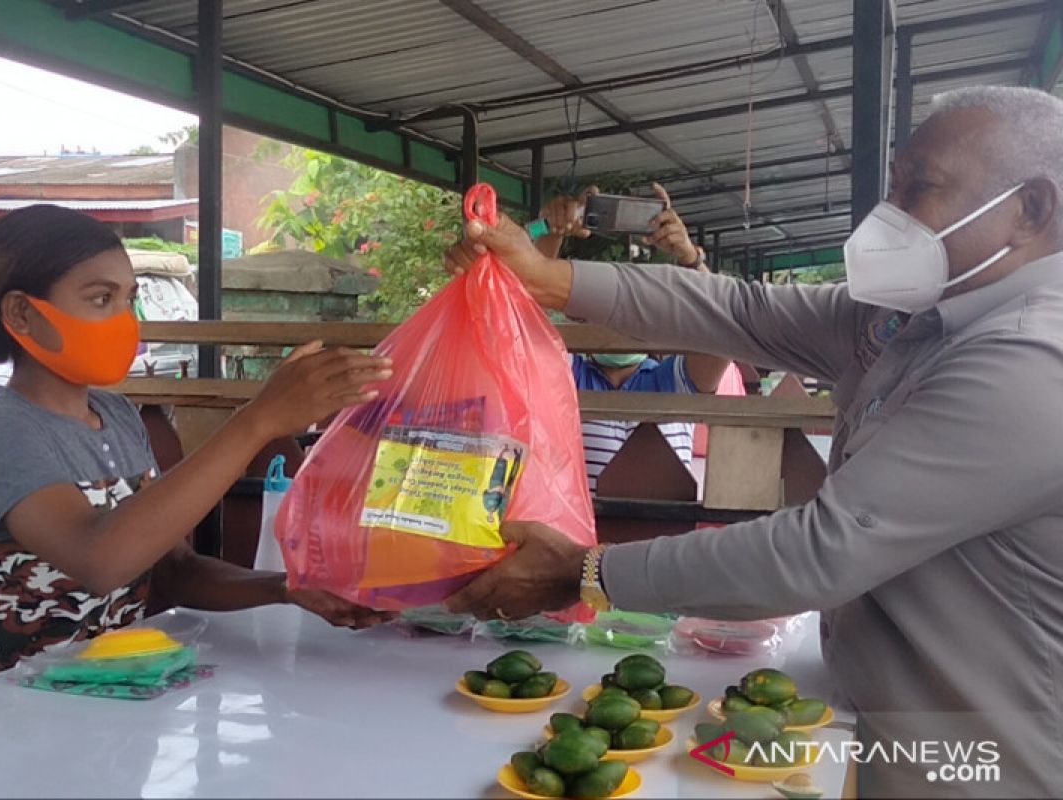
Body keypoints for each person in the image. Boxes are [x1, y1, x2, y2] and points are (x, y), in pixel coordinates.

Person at [442, 86, 1063, 798]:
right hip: (887, 718)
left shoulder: (1033, 360)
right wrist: (551, 279)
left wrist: (588, 573)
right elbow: (741, 308)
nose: (888, 215)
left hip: (985, 756)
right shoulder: (917, 315)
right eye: (891, 185)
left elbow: (822, 551)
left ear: (1031, 210)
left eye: (918, 188)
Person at [0, 205, 394, 676]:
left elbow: (172, 570)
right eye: (101, 299)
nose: (125, 319)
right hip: (15, 718)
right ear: (21, 313)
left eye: (128, 299)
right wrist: (257, 420)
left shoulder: (115, 415)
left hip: (116, 700)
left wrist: (287, 588)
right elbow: (100, 560)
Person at [535, 185, 727, 490]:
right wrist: (552, 232)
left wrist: (689, 259)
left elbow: (724, 330)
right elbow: (518, 320)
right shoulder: (565, 373)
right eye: (606, 301)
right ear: (577, 312)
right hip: (577, 536)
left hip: (664, 537)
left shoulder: (673, 380)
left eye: (638, 303)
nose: (622, 315)